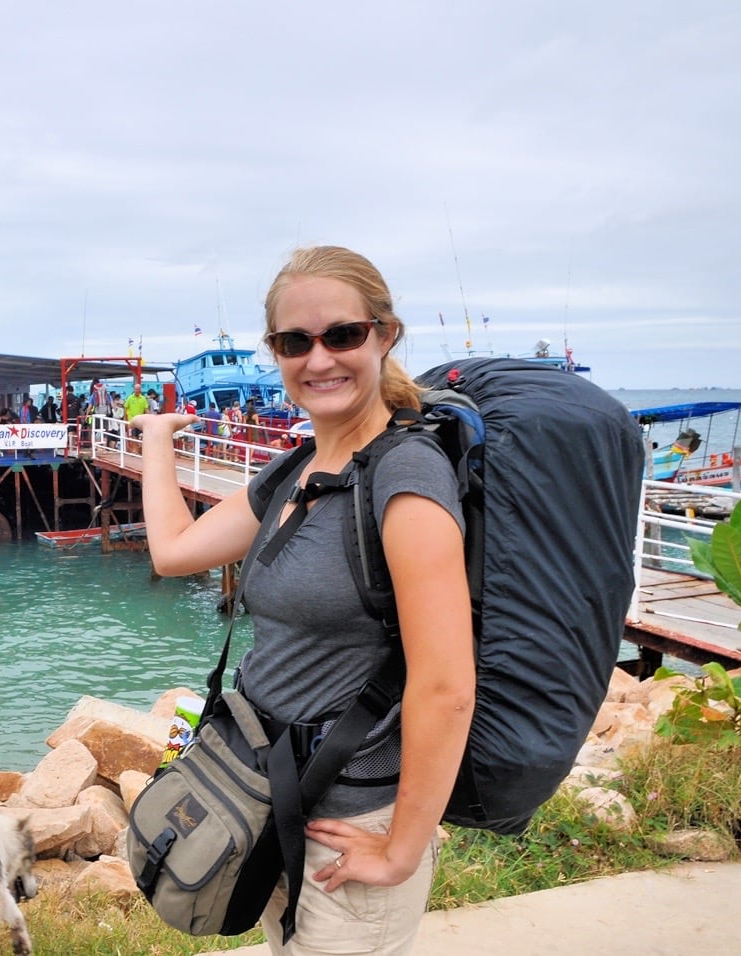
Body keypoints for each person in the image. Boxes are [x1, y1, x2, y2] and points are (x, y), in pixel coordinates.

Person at [130, 246, 474, 956]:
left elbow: (446, 688)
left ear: (385, 334)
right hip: (268, 800)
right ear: (275, 353)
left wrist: (402, 849)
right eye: (294, 342)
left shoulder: (406, 479)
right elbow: (174, 552)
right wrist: (157, 440)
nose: (318, 359)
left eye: (342, 335)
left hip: (352, 831)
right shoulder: (298, 470)